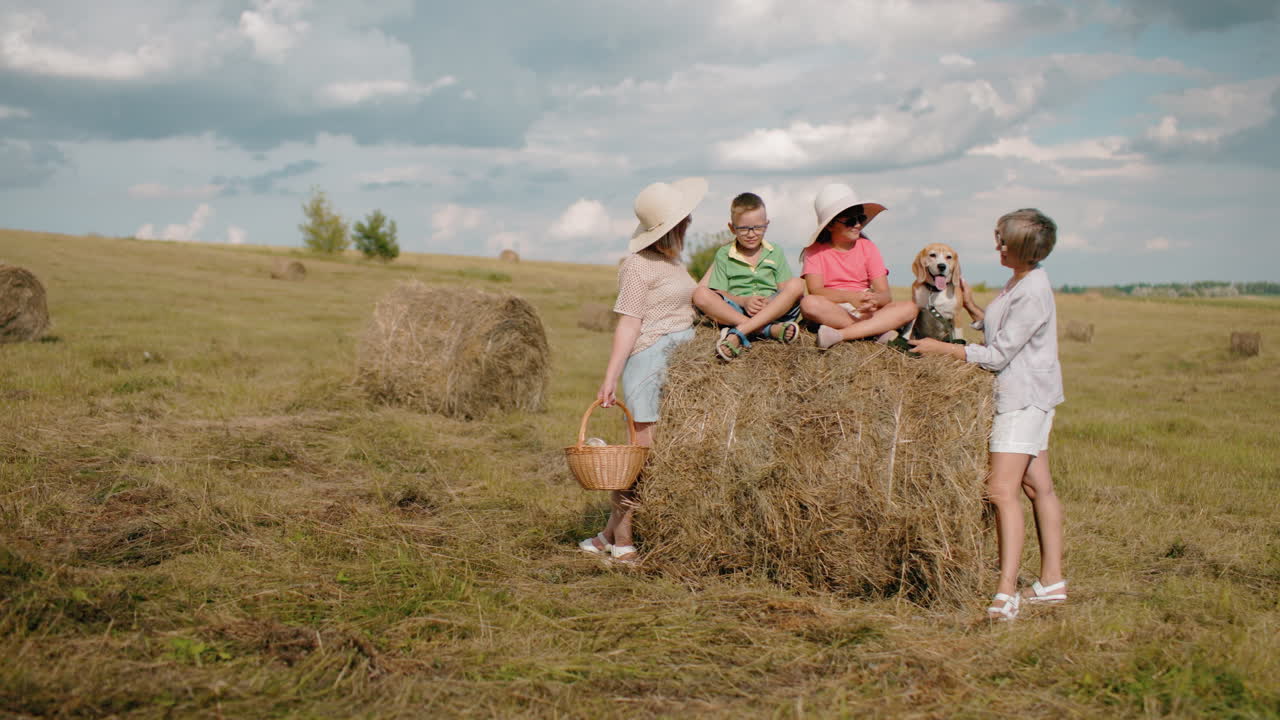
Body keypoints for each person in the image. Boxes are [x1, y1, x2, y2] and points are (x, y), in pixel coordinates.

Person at [910, 209, 1067, 621]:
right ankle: (1052, 582)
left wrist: (943, 349)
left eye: (1002, 241)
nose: (996, 246)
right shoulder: (1023, 280)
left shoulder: (1032, 291)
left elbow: (998, 356)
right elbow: (1005, 332)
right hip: (1034, 393)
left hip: (1021, 398)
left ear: (1020, 249)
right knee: (1038, 488)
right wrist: (975, 309)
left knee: (1000, 491)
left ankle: (1006, 593)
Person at [580, 177, 706, 564]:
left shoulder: (672, 262)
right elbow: (629, 324)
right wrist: (609, 379)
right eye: (682, 221)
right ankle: (622, 541)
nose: (688, 225)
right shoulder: (636, 266)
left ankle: (604, 537)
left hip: (678, 366)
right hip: (649, 364)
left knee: (656, 457)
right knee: (640, 461)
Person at [797, 183, 917, 349]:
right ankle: (874, 330)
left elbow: (885, 294)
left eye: (860, 219)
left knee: (910, 307)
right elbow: (816, 291)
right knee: (809, 303)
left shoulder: (868, 247)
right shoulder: (814, 251)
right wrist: (850, 298)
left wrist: (873, 300)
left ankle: (841, 334)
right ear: (831, 225)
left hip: (865, 308)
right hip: (834, 308)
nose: (858, 225)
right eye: (851, 221)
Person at [692, 192, 805, 361]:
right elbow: (720, 292)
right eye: (743, 228)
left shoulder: (776, 251)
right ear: (732, 228)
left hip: (771, 310)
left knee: (797, 284)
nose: (751, 234)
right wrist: (743, 301)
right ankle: (766, 330)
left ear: (766, 225)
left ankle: (740, 331)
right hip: (737, 310)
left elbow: (784, 290)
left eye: (758, 227)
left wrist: (769, 302)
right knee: (700, 294)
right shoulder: (724, 254)